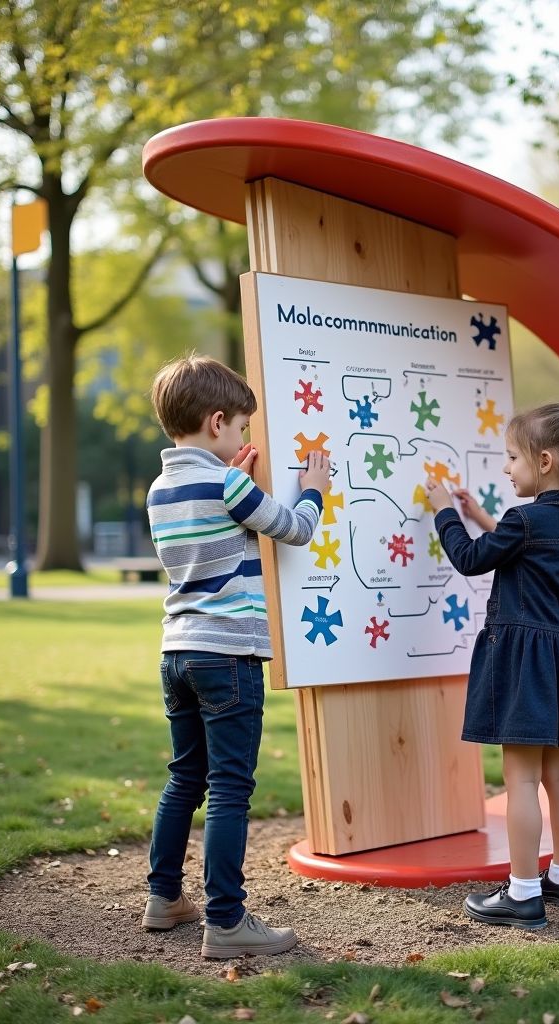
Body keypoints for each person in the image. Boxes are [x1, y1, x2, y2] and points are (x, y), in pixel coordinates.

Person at [141, 354, 331, 958]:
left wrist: (237, 478)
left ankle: (164, 898)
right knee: (229, 787)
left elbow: (216, 542)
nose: (246, 438)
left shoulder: (162, 487)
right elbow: (293, 529)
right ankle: (225, 922)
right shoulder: (228, 484)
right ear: (218, 422)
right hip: (229, 656)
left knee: (184, 779)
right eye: (243, 428)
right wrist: (315, 493)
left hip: (178, 652)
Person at [425, 399, 559, 930]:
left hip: (526, 663)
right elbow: (526, 551)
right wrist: (481, 518)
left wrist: (444, 512)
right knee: (558, 776)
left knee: (519, 779)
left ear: (543, 462)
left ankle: (521, 893)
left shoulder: (525, 519)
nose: (505, 466)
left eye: (512, 457)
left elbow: (473, 559)